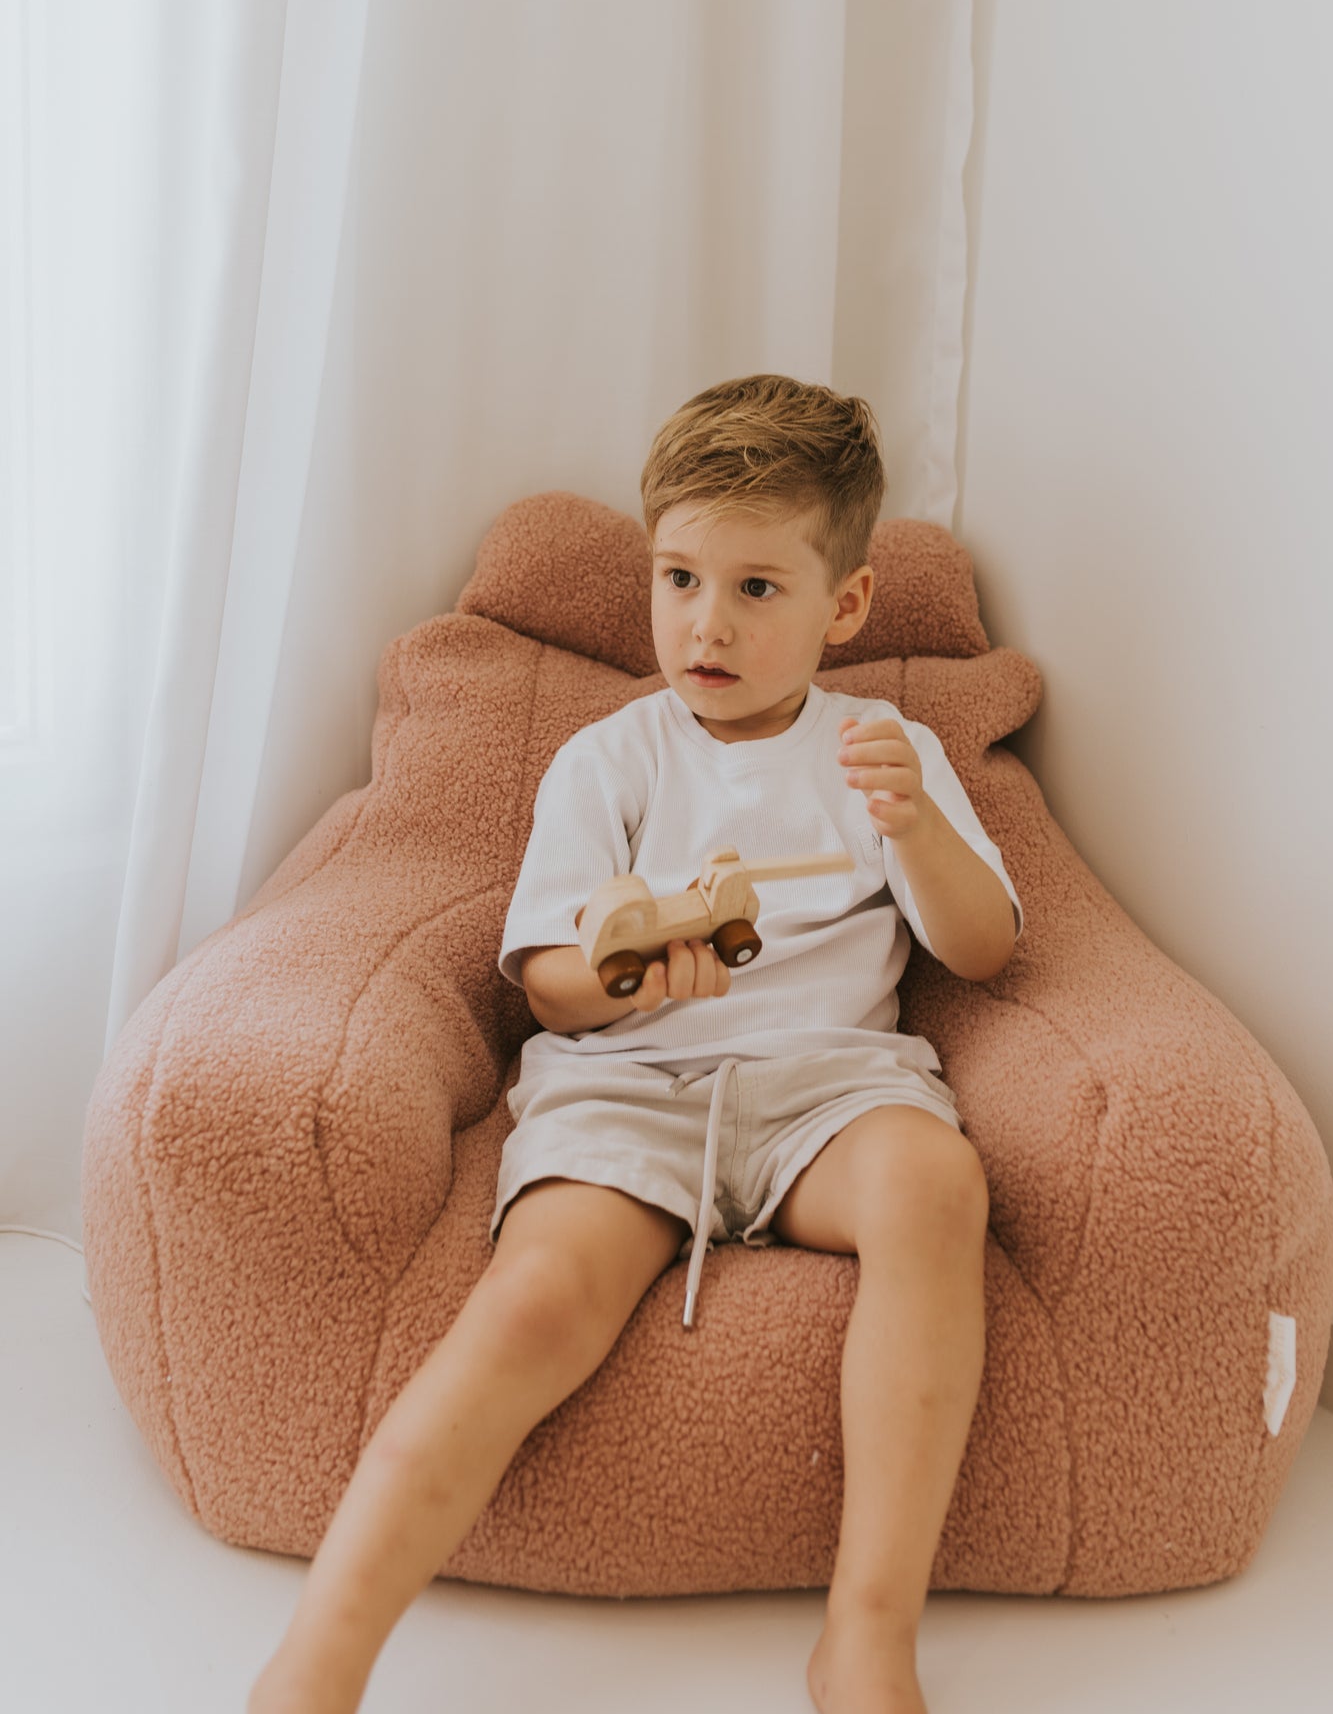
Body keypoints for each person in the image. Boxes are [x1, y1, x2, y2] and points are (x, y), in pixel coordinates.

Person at [250, 373, 1022, 1714]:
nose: (703, 624)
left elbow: (982, 951)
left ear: (843, 607)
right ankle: (319, 1660)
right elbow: (548, 987)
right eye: (677, 579)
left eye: (756, 590)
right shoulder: (608, 761)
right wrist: (623, 970)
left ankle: (867, 1629)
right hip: (625, 1085)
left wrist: (917, 832)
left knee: (933, 1184)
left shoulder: (881, 751)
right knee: (538, 1297)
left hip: (827, 1091)